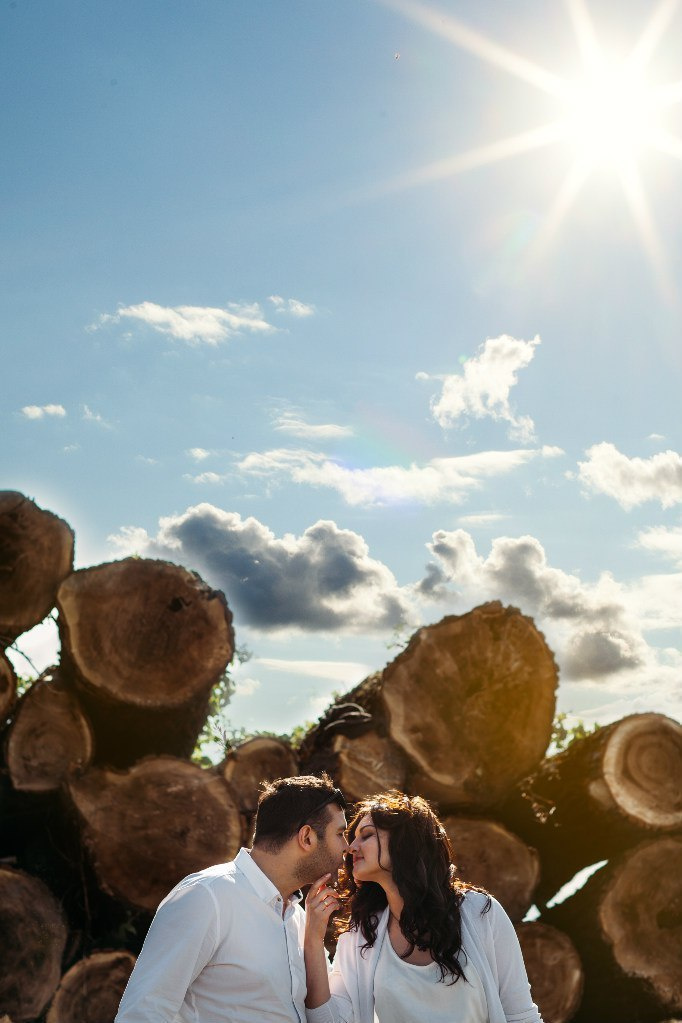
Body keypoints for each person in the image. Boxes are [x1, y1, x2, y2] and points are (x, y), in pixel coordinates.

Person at [116, 773, 349, 1023]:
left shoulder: (301, 919)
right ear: (307, 838)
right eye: (340, 833)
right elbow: (143, 1011)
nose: (347, 846)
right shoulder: (206, 896)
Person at [304, 791, 543, 1023]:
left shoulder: (480, 912)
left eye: (366, 835)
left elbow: (521, 1015)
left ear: (404, 841)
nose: (350, 847)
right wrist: (313, 939)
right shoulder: (361, 936)